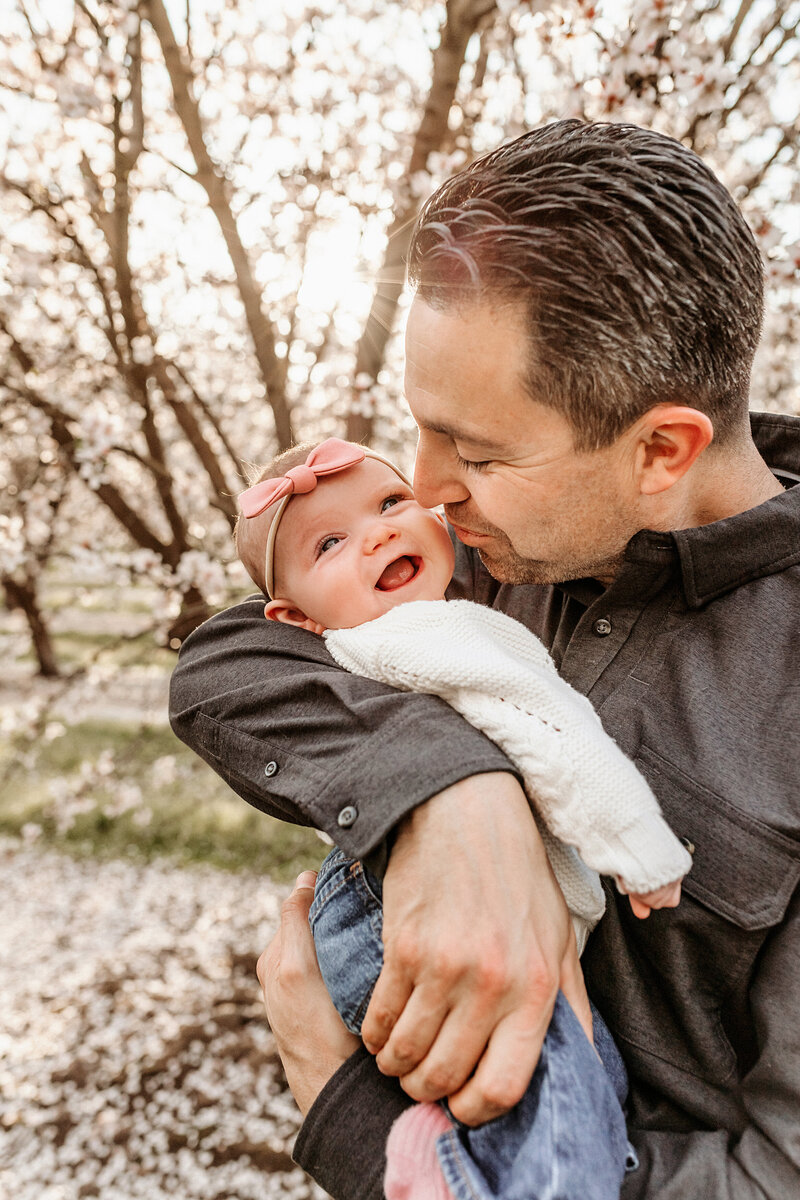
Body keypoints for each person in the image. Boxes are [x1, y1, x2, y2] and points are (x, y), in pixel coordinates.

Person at [169, 119, 800, 1200]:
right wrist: (456, 795)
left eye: (475, 452)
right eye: (419, 433)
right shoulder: (478, 540)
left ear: (660, 450)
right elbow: (232, 654)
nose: (422, 490)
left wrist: (351, 1121)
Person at [231, 434, 690, 1197]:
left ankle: (440, 1148)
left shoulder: (389, 634)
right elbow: (549, 732)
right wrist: (632, 844)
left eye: (389, 503)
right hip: (411, 908)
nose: (378, 531)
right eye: (333, 543)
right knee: (562, 1140)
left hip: (383, 911)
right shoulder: (430, 637)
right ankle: (443, 1175)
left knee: (583, 1104)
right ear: (297, 619)